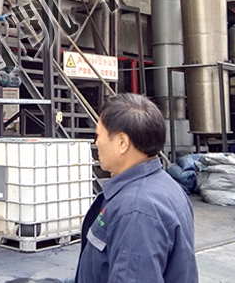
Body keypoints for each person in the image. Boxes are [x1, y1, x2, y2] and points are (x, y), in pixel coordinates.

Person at [75, 93, 198, 283]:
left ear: (122, 143)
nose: (96, 142)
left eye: (99, 135)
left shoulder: (137, 210)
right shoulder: (166, 186)